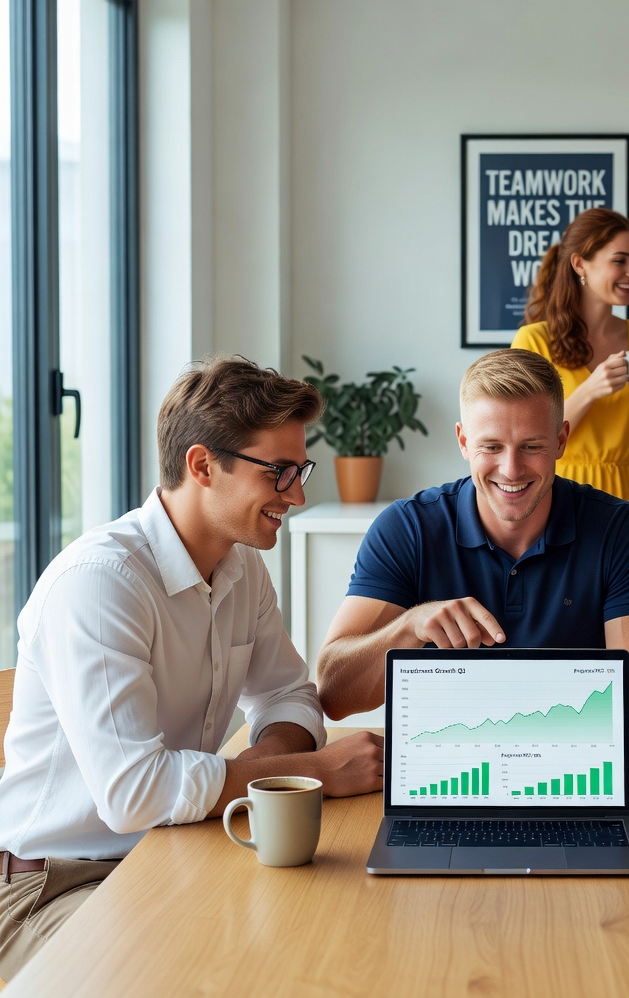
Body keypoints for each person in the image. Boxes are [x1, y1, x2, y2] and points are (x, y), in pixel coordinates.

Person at [0, 356, 384, 982]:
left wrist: (264, 775)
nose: (299, 494)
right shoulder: (102, 584)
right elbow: (135, 795)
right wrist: (313, 772)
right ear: (203, 466)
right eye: (280, 471)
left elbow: (288, 696)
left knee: (324, 940)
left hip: (172, 849)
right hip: (52, 884)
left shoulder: (241, 568)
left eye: (300, 469)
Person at [316, 348, 629, 737]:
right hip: (447, 771)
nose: (511, 469)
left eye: (532, 446)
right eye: (491, 447)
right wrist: (409, 626)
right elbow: (334, 693)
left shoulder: (620, 529)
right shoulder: (407, 528)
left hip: (570, 770)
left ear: (561, 441)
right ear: (463, 441)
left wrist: (494, 722)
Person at [511, 207, 629, 524]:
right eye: (620, 260)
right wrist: (590, 390)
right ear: (580, 263)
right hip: (558, 497)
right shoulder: (533, 341)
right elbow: (525, 440)